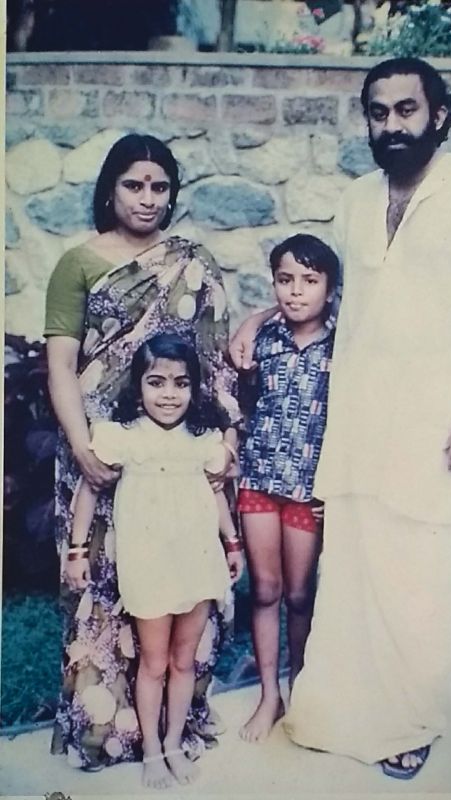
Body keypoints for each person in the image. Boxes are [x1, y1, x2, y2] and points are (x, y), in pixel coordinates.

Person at [231, 58, 451, 779]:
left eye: (404, 110)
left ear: (438, 115)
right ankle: (335, 712)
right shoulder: (358, 198)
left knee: (415, 580)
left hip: (434, 426)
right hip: (355, 421)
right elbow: (328, 293)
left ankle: (410, 720)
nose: (390, 125)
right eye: (378, 112)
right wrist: (261, 312)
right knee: (353, 576)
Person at [45, 133, 241, 771]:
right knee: (99, 589)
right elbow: (62, 365)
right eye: (134, 184)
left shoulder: (190, 262)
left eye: (160, 187)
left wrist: (226, 441)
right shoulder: (77, 261)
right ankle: (107, 730)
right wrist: (81, 447)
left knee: (178, 585)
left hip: (176, 458)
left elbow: (212, 365)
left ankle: (173, 723)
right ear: (109, 188)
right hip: (99, 453)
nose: (148, 198)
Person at [65, 335, 244, 788]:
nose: (169, 394)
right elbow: (89, 490)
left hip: (198, 561)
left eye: (181, 384)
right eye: (157, 382)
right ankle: (150, 753)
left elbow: (216, 491)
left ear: (193, 387)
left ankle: (172, 743)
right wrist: (77, 550)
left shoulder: (203, 438)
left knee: (185, 662)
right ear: (138, 386)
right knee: (154, 662)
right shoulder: (122, 436)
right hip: (148, 564)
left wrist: (232, 543)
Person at [237, 234, 339, 744]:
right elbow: (239, 399)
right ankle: (269, 695)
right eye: (285, 280)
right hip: (259, 480)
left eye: (309, 281)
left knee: (300, 596)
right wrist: (255, 320)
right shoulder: (263, 342)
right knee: (265, 591)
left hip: (306, 491)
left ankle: (303, 688)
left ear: (330, 289)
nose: (295, 292)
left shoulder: (343, 345)